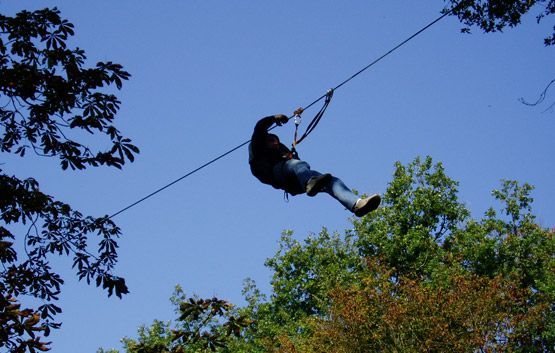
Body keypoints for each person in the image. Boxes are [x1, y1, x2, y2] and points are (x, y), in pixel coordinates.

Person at [248, 114, 381, 217]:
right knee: (295, 164)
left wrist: (292, 157)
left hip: (296, 182)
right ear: (263, 142)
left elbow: (298, 166)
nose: (276, 143)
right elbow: (260, 127)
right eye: (272, 141)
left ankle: (356, 204)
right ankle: (309, 182)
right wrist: (274, 118)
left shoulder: (282, 152)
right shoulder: (258, 148)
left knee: (331, 181)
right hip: (275, 174)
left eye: (277, 141)